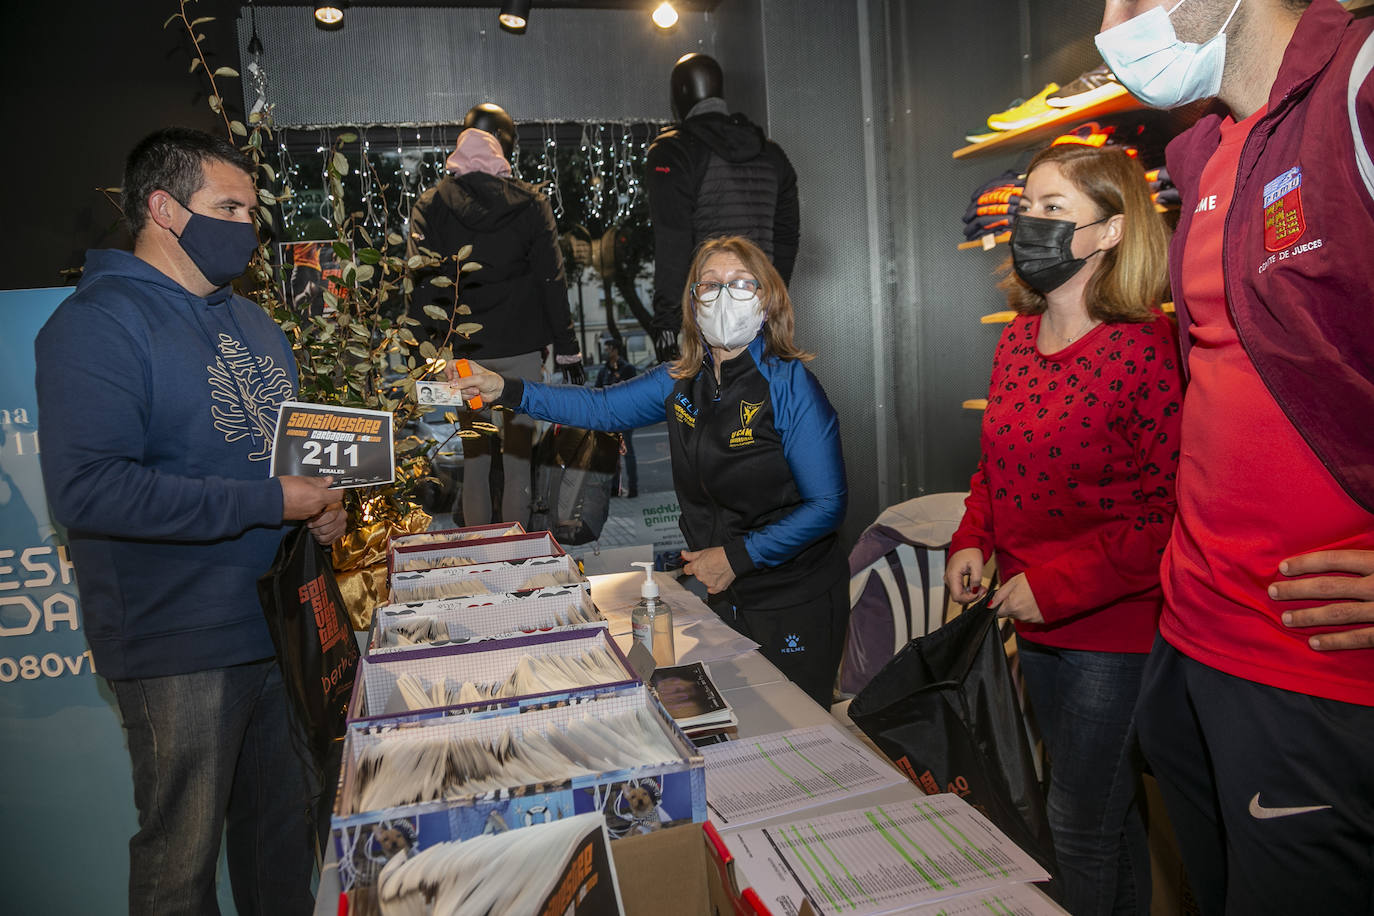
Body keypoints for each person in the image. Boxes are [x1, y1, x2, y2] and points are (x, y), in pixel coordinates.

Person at [1093, 1, 1374, 912]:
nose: (1115, 19)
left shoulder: (1360, 85)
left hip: (1315, 670)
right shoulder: (1209, 151)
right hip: (1194, 647)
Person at [34, 127, 346, 915]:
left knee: (283, 850)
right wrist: (272, 501)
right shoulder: (96, 325)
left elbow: (284, 464)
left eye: (250, 208)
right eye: (228, 206)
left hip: (277, 631)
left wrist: (321, 507)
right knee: (182, 866)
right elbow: (91, 492)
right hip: (176, 643)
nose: (247, 225)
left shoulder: (259, 328)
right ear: (163, 208)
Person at [455, 236, 848, 706]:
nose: (724, 296)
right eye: (710, 285)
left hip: (794, 595)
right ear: (693, 302)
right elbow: (601, 408)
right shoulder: (681, 381)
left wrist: (736, 557)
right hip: (727, 591)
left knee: (800, 727)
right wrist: (508, 388)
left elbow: (828, 505)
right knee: (743, 719)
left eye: (741, 284)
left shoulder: (789, 384)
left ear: (766, 299)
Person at [944, 143, 1182, 916]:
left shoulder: (1144, 348)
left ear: (1110, 231)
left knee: (1077, 824)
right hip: (1033, 623)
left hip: (1110, 635)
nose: (1029, 222)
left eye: (1054, 209)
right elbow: (996, 470)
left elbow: (1164, 514)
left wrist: (1052, 586)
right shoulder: (1017, 336)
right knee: (1099, 818)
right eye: (1028, 205)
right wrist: (972, 539)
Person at [409, 103, 584, 528]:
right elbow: (552, 281)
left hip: (466, 359)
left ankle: (478, 557)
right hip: (523, 355)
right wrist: (568, 352)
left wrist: (420, 359)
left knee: (476, 461)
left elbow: (421, 286)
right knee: (519, 462)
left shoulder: (431, 204)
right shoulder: (530, 202)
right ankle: (516, 559)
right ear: (502, 148)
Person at [645, 53, 799, 361]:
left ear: (680, 95)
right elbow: (786, 238)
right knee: (759, 400)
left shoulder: (673, 152)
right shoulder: (772, 154)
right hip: (759, 308)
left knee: (706, 404)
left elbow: (672, 242)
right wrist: (766, 298)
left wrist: (666, 321)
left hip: (705, 309)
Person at [595, 339, 638, 497]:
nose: (605, 353)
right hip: (610, 418)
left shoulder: (627, 369)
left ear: (615, 350)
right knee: (611, 455)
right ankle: (615, 489)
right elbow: (598, 391)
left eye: (607, 349)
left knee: (628, 453)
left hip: (625, 416)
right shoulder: (603, 371)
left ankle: (633, 488)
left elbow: (633, 392)